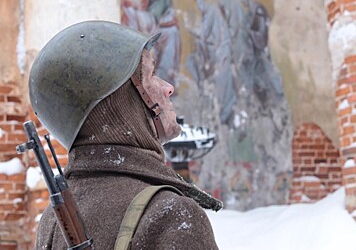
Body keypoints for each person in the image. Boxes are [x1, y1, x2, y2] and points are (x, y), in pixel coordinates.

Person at [30, 21, 221, 249]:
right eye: (150, 75)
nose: (168, 88)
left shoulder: (54, 221)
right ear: (121, 99)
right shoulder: (171, 215)